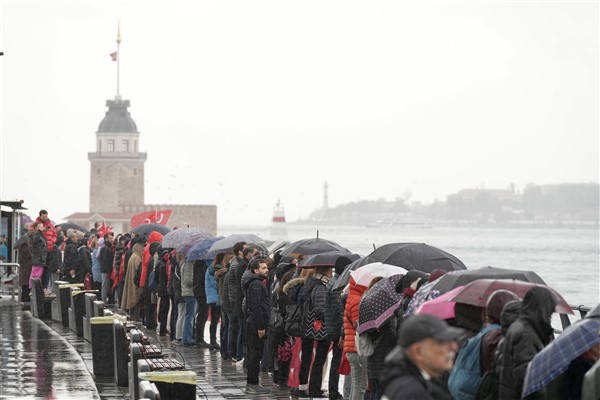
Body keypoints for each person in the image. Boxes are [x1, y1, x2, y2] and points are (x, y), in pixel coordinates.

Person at [380, 314, 462, 400]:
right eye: (441, 342)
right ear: (418, 352)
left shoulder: (408, 384)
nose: (453, 347)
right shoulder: (411, 392)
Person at [497, 286, 558, 399]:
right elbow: (526, 377)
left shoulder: (521, 327)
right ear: (542, 309)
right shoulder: (526, 335)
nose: (551, 316)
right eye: (550, 311)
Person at [297, 265, 333, 398]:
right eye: (330, 270)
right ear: (326, 271)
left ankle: (302, 387)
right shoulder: (320, 286)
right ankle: (314, 389)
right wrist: (329, 318)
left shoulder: (309, 283)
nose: (331, 273)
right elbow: (320, 309)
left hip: (307, 326)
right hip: (320, 328)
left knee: (306, 357)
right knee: (319, 359)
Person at [243, 258, 271, 394]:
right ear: (256, 270)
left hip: (254, 322)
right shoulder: (256, 285)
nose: (267, 270)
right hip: (256, 324)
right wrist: (261, 327)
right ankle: (253, 382)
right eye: (264, 268)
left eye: (266, 267)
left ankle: (252, 380)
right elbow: (256, 307)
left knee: (254, 353)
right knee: (255, 354)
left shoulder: (257, 283)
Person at [205, 258, 222, 350]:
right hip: (215, 298)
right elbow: (215, 283)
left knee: (214, 320)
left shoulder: (210, 268)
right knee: (215, 320)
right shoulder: (212, 270)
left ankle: (213, 340)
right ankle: (213, 341)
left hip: (213, 297)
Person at [30, 222, 48, 289]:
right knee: (36, 275)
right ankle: (34, 289)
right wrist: (38, 231)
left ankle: (37, 289)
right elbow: (35, 242)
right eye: (40, 226)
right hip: (38, 259)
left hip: (41, 259)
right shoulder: (36, 235)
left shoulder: (41, 235)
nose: (42, 227)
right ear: (36, 228)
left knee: (39, 275)